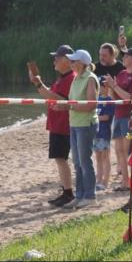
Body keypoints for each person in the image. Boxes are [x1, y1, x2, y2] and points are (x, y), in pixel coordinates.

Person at [32, 44, 76, 207]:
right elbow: (49, 96)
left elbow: (60, 100)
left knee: (61, 158)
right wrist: (38, 83)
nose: (54, 61)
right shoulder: (63, 77)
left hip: (63, 124)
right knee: (60, 159)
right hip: (58, 123)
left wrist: (39, 85)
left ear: (66, 60)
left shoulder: (71, 78)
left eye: (56, 58)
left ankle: (68, 192)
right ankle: (66, 190)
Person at [65, 49, 100, 208]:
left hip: (85, 124)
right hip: (75, 124)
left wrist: (70, 108)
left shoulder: (90, 78)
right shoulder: (76, 78)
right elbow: (73, 102)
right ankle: (80, 195)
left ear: (81, 63)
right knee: (77, 162)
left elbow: (91, 105)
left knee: (85, 162)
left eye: (73, 61)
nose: (71, 64)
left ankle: (90, 196)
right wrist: (66, 107)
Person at [106, 48, 132, 191]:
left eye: (127, 56)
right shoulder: (121, 74)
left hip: (129, 118)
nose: (124, 58)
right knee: (119, 150)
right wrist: (110, 87)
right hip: (118, 115)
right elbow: (114, 97)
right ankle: (125, 182)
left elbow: (131, 98)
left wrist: (114, 85)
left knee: (127, 150)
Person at [93, 83, 116, 190]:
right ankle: (98, 180)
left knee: (105, 157)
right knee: (98, 157)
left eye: (103, 85)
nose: (101, 88)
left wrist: (94, 117)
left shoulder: (109, 101)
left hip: (104, 133)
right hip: (95, 133)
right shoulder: (96, 99)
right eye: (100, 85)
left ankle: (105, 181)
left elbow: (106, 117)